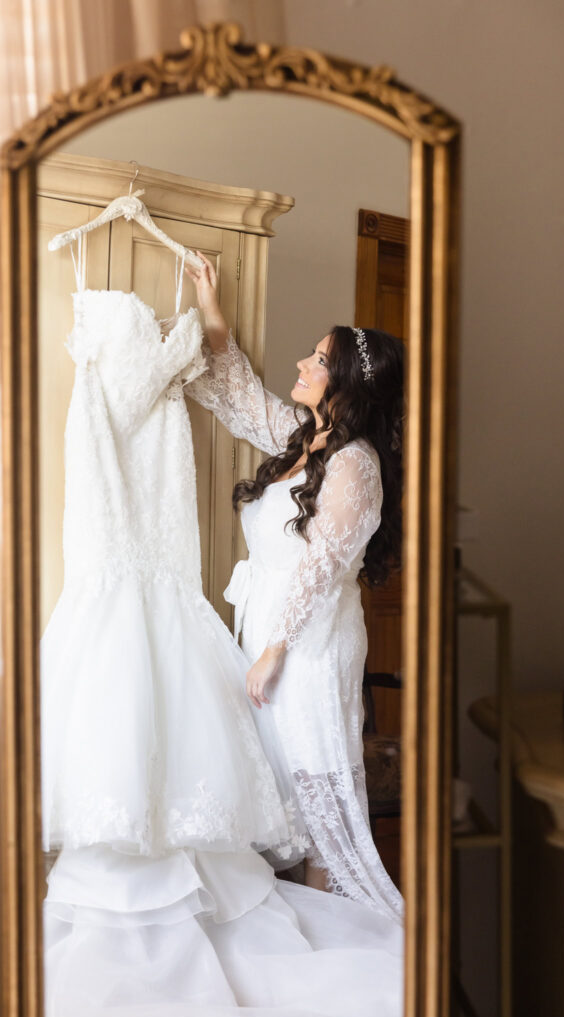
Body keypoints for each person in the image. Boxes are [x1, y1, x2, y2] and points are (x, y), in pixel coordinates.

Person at [187, 252, 404, 918]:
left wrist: (277, 648)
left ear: (344, 382)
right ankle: (299, 937)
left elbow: (322, 564)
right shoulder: (300, 437)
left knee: (317, 795)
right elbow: (237, 388)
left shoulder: (357, 462)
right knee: (274, 787)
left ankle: (342, 941)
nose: (303, 366)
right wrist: (209, 302)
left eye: (316, 360)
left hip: (308, 648)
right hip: (264, 631)